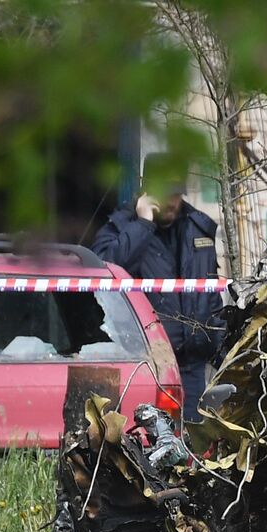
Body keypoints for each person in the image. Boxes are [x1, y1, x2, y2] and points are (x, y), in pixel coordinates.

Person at [92, 152, 223, 423]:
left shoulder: (197, 227)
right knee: (152, 440)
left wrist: (217, 343)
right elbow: (103, 272)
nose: (172, 202)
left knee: (195, 442)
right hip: (146, 364)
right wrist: (143, 225)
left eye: (176, 194)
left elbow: (210, 291)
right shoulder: (122, 227)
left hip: (193, 361)